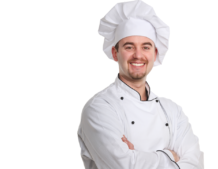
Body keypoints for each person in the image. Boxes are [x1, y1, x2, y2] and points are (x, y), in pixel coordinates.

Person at [77, 0, 204, 168]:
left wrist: (136, 155)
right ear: (115, 53)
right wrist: (170, 155)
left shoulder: (172, 111)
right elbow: (124, 166)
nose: (138, 55)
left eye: (146, 47)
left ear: (155, 53)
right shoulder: (100, 108)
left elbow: (196, 164)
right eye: (129, 47)